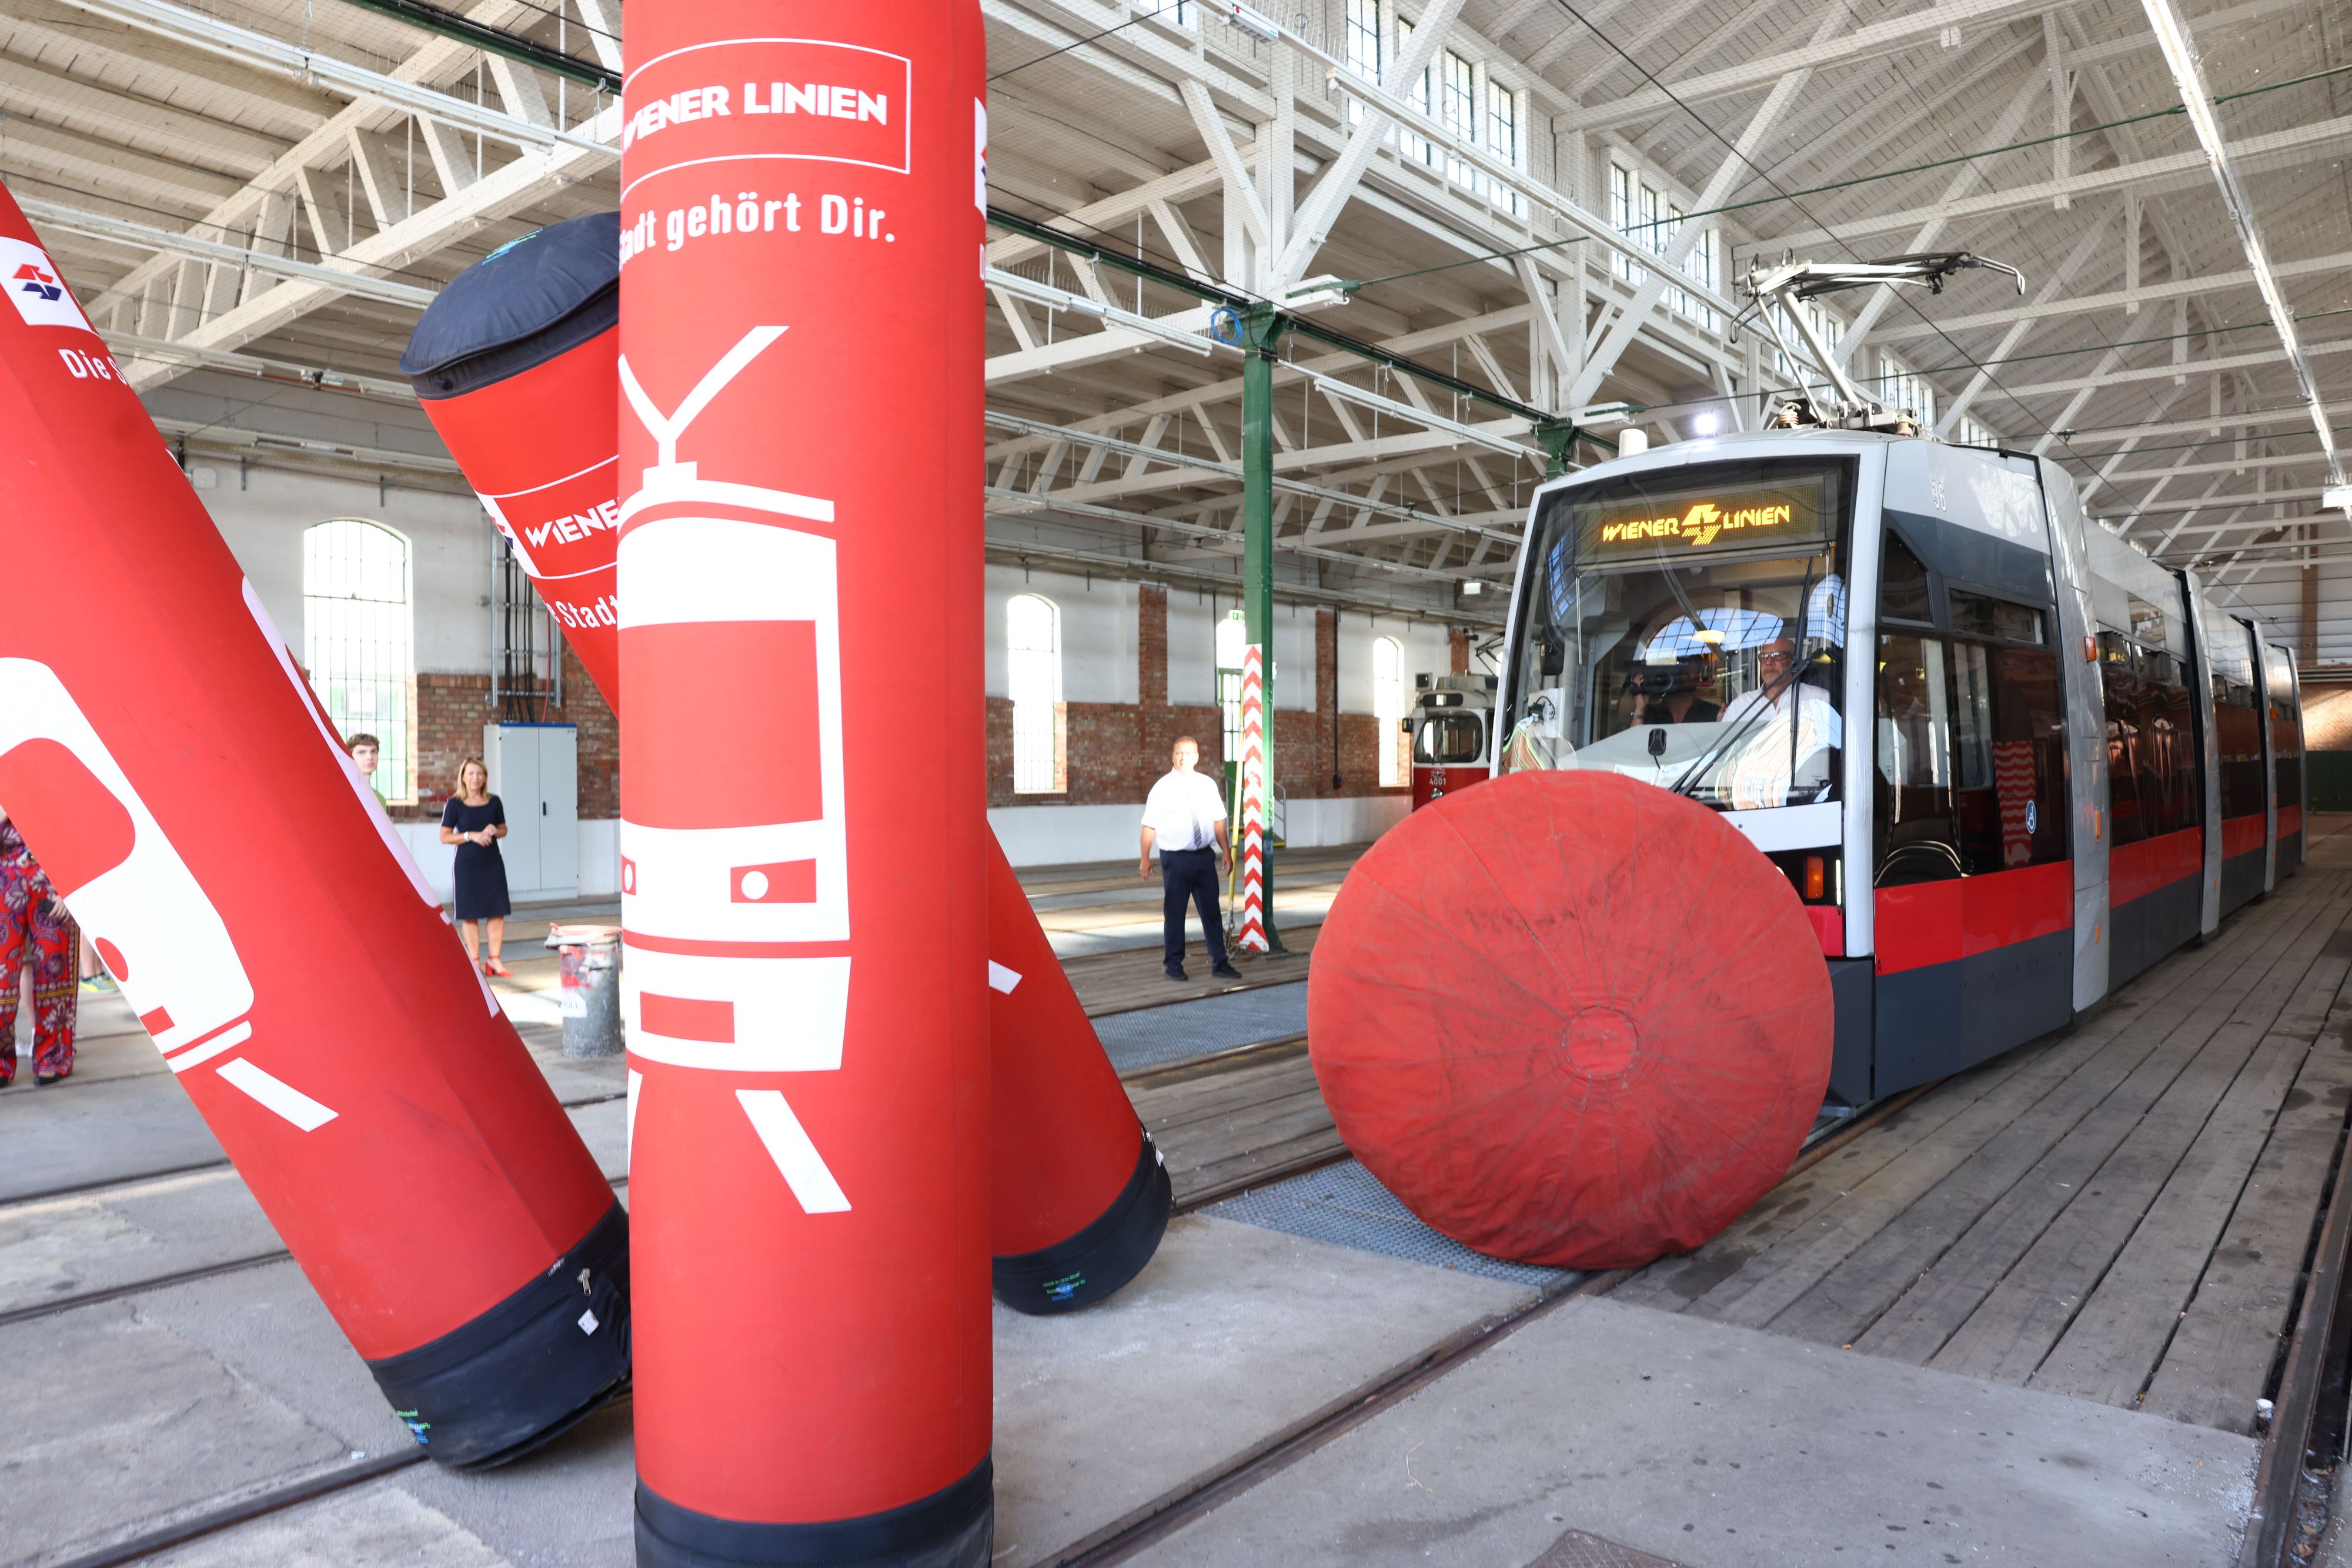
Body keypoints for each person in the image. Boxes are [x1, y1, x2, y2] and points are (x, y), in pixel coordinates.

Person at [1138, 735, 1240, 984]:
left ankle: (1220, 962)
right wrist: (1145, 859)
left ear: (1197, 757)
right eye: (1178, 753)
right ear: (1173, 756)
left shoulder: (1207, 785)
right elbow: (1149, 827)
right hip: (1176, 859)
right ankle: (1173, 964)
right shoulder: (1162, 788)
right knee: (1175, 913)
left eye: (1188, 753)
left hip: (1205, 858)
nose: (1183, 758)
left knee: (1211, 913)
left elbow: (1218, 821)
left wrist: (1226, 851)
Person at [0, 798, 77, 1085]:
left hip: (52, 882)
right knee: (2, 976)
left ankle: (53, 1057)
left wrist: (71, 889)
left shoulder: (49, 766)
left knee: (54, 974)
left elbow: (79, 833)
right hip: (4, 881)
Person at [440, 758, 513, 976]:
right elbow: (444, 837)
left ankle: (495, 960)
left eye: (480, 774)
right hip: (466, 864)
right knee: (470, 913)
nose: (475, 778)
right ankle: (475, 961)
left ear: (485, 778)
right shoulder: (454, 803)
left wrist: (493, 831)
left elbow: (504, 830)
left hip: (492, 861)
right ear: (463, 777)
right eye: (470, 773)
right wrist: (471, 835)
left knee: (497, 910)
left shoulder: (494, 802)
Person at [347, 732, 386, 805]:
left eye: (374, 751)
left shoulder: (380, 799)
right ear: (350, 756)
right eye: (362, 752)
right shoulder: (345, 794)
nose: (370, 757)